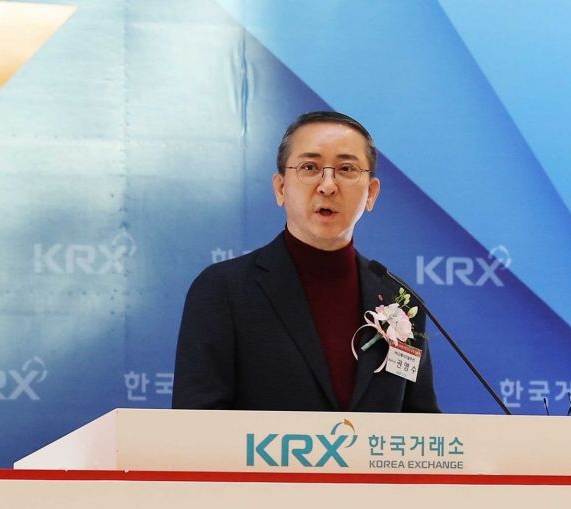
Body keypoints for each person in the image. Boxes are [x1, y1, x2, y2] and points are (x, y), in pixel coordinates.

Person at [172, 111, 440, 413]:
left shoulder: (400, 303)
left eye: (347, 168)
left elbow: (422, 425)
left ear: (371, 193)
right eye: (310, 167)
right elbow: (197, 424)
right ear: (280, 188)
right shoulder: (223, 291)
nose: (328, 185)